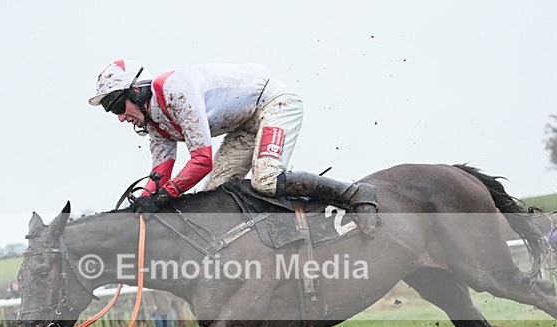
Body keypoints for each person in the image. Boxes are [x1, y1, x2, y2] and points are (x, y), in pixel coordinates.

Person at [88, 59, 365, 213]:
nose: (121, 117)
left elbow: (201, 161)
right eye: (114, 113)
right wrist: (137, 206)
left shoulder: (174, 90)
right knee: (212, 200)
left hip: (274, 103)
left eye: (118, 107)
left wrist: (164, 196)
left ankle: (353, 194)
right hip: (244, 124)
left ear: (137, 91)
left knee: (266, 179)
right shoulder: (154, 123)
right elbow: (159, 175)